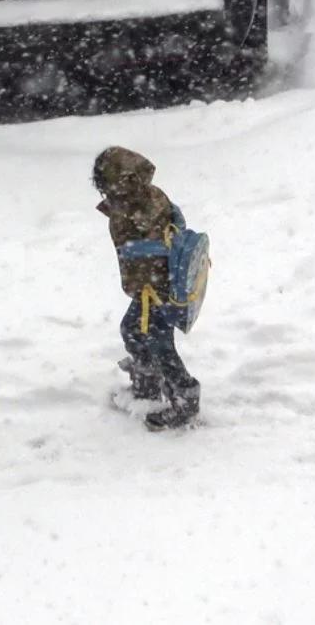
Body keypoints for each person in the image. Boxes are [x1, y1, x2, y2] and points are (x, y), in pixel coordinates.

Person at [94, 147, 201, 430]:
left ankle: (185, 398)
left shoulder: (140, 204)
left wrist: (134, 246)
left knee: (157, 340)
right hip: (150, 286)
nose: (105, 192)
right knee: (133, 331)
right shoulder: (141, 196)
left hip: (157, 288)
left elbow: (156, 243)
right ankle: (147, 385)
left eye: (107, 186)